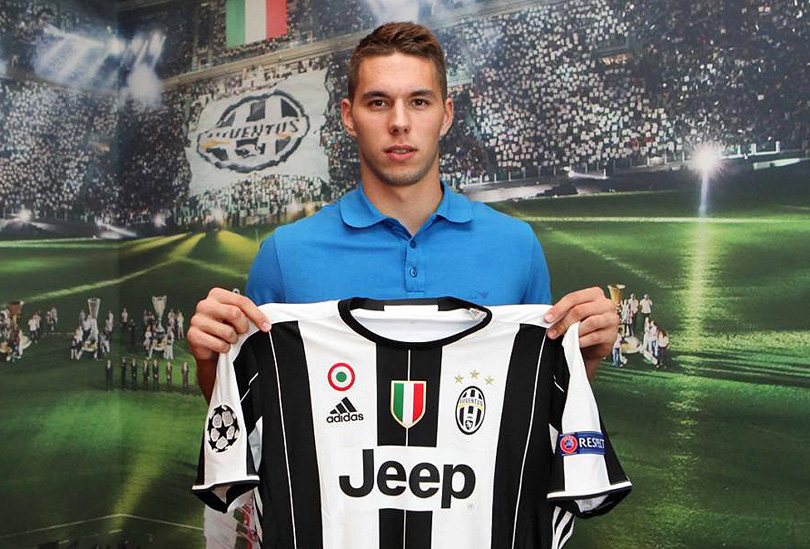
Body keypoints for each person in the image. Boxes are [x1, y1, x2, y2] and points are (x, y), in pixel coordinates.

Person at [187, 22, 620, 547]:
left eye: (419, 101)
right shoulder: (286, 255)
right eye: (378, 102)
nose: (399, 122)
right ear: (348, 116)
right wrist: (211, 362)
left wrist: (584, 359)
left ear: (446, 113)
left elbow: (532, 414)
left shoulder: (515, 247)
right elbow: (252, 418)